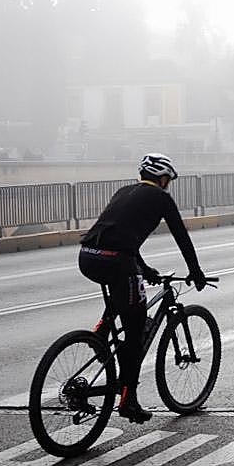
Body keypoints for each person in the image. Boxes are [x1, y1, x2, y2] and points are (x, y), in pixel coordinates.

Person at [78, 152, 206, 424]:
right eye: (167, 180)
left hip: (88, 256)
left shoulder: (123, 191)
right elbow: (181, 237)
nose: (167, 185)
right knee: (135, 333)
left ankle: (102, 329)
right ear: (162, 179)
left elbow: (119, 236)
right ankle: (128, 400)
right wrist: (195, 272)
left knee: (126, 289)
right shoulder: (161, 198)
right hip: (116, 261)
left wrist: (145, 269)